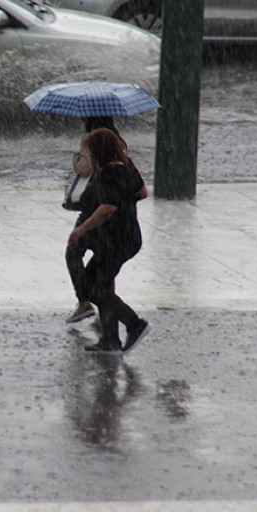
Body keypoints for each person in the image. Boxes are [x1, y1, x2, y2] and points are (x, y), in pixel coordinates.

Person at [68, 127, 150, 353]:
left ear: (98, 151)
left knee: (93, 289)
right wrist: (126, 201)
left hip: (116, 242)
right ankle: (110, 340)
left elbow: (107, 208)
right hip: (128, 236)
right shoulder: (128, 167)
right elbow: (143, 193)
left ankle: (134, 324)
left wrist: (81, 230)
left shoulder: (108, 173)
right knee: (100, 286)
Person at [64, 116, 121, 324]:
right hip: (111, 214)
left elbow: (85, 169)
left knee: (73, 253)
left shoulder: (91, 140)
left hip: (92, 210)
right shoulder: (117, 140)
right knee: (105, 263)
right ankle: (105, 311)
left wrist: (78, 155)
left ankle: (84, 302)